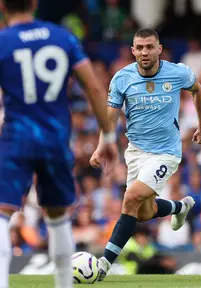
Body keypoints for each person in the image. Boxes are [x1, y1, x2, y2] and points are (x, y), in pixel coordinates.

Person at [0, 1, 118, 287]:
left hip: (17, 138)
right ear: (35, 3)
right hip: (55, 139)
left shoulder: (3, 42)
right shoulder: (63, 37)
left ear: (3, 6)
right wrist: (109, 136)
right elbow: (93, 87)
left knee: (2, 214)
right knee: (58, 218)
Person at [89, 28, 201, 281]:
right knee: (142, 213)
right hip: (135, 153)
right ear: (133, 51)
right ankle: (179, 207)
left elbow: (198, 91)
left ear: (159, 49)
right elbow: (110, 118)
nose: (144, 52)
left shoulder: (178, 72)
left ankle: (104, 263)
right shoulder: (122, 78)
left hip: (166, 153)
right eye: (140, 47)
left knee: (130, 198)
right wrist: (102, 145)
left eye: (149, 47)